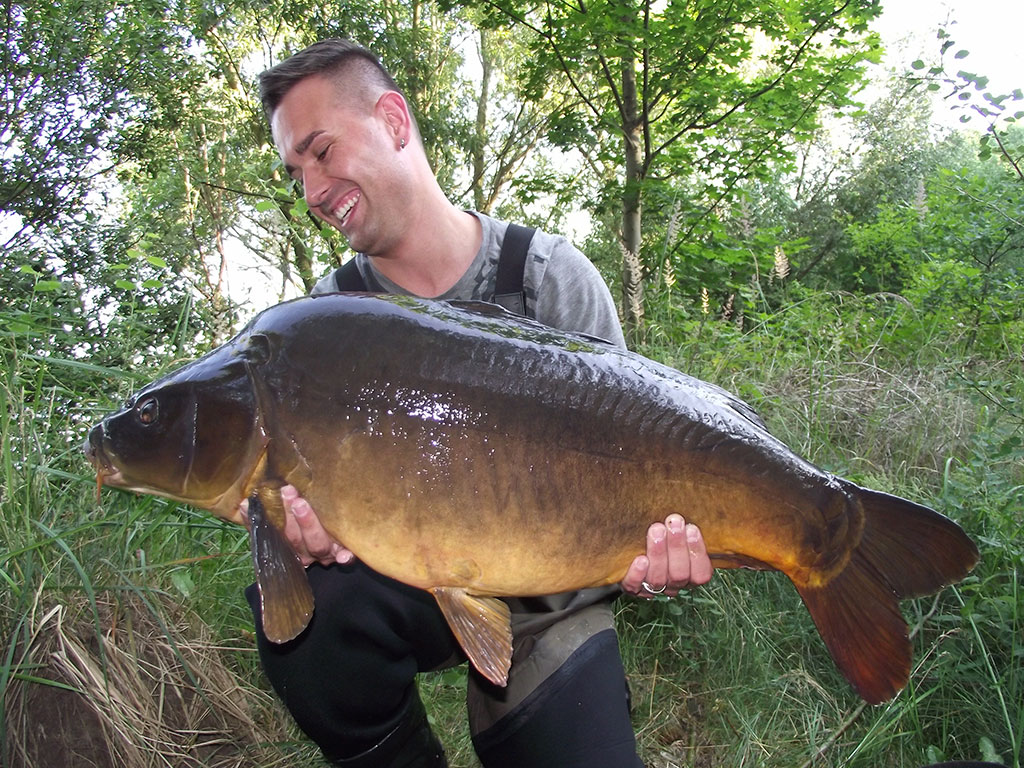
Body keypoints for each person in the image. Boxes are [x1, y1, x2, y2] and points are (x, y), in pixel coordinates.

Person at [248, 38, 714, 767]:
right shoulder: (329, 321)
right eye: (294, 171)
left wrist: (654, 556)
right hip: (402, 585)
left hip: (552, 599)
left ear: (395, 121)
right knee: (312, 625)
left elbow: (641, 452)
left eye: (321, 151)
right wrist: (305, 540)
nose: (310, 190)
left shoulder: (548, 274)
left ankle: (526, 702)